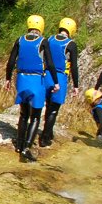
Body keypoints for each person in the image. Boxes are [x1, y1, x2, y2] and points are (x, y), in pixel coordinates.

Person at [4, 15, 55, 161]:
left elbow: (10, 62)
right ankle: (26, 148)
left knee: (23, 114)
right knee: (35, 116)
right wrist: (56, 82)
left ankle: (19, 144)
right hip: (36, 80)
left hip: (22, 80)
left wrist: (8, 78)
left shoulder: (20, 40)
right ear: (41, 27)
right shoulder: (43, 41)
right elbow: (50, 64)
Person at [38, 17, 80, 146]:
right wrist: (76, 85)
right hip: (60, 77)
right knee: (54, 109)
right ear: (71, 30)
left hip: (46, 75)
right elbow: (73, 66)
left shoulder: (49, 39)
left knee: (47, 105)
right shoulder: (70, 44)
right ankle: (45, 138)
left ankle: (48, 131)